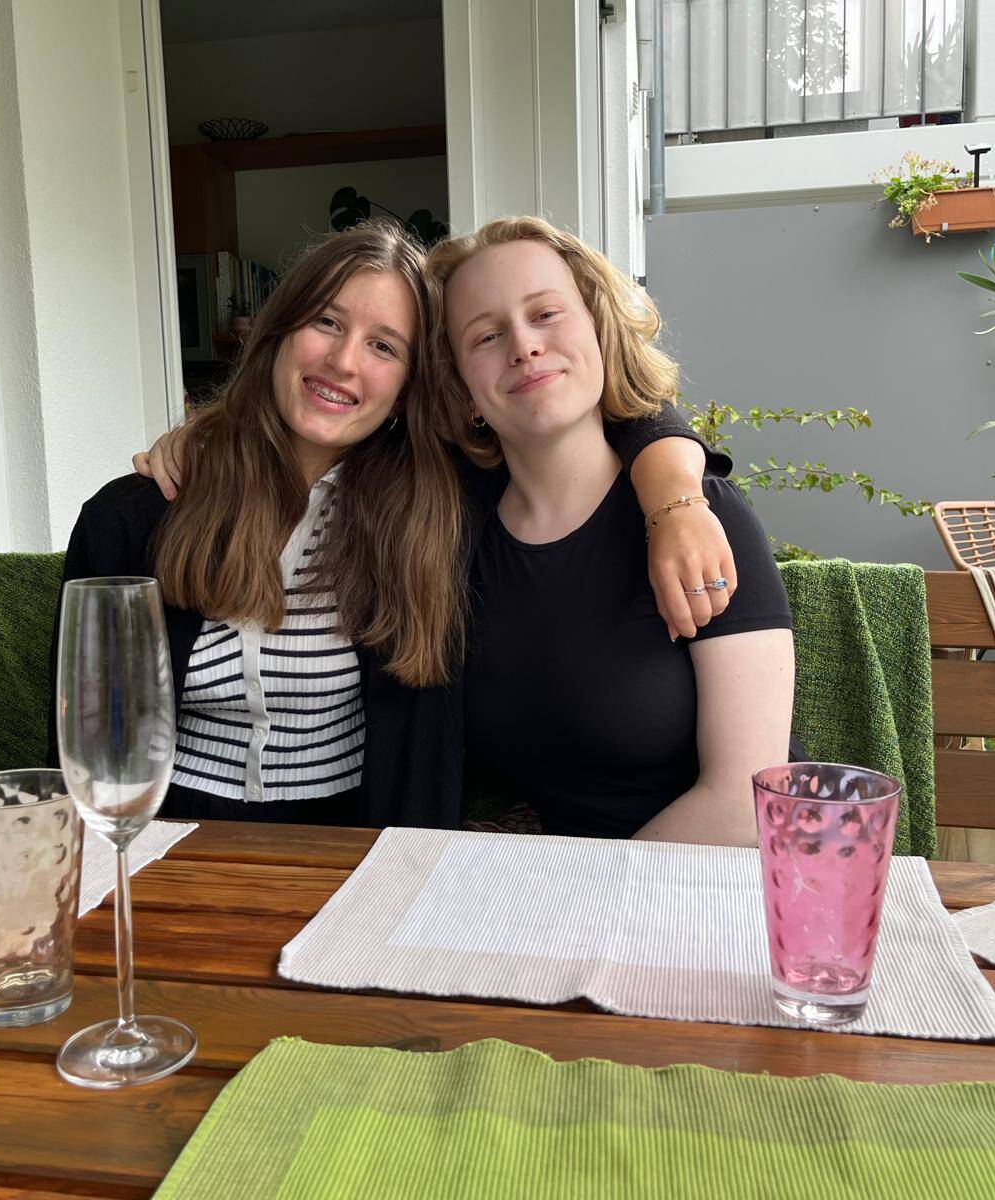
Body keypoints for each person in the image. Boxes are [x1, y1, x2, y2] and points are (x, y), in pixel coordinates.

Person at [64, 220, 730, 829]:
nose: (344, 362)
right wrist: (207, 429)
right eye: (325, 322)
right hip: (167, 849)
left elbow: (597, 409)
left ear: (412, 383)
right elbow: (91, 758)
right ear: (276, 334)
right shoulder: (138, 515)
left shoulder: (445, 504)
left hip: (367, 863)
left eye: (384, 345)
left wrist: (677, 498)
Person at [424, 217, 795, 845]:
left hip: (708, 893)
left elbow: (741, 800)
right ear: (461, 386)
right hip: (540, 890)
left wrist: (578, 908)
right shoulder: (453, 539)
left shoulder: (699, 515)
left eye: (546, 314)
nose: (523, 346)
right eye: (486, 336)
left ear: (599, 330)